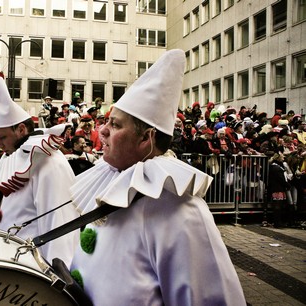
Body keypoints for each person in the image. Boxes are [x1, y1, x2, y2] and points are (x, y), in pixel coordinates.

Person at [69, 50, 246, 305]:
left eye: (116, 125)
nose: (103, 130)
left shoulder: (181, 210)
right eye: (106, 122)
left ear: (146, 138)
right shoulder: (112, 179)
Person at [0, 77, 79, 267]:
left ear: (21, 129)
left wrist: (56, 283)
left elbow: (59, 229)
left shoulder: (48, 162)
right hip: (19, 269)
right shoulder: (16, 158)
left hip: (37, 277)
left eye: (2, 137)